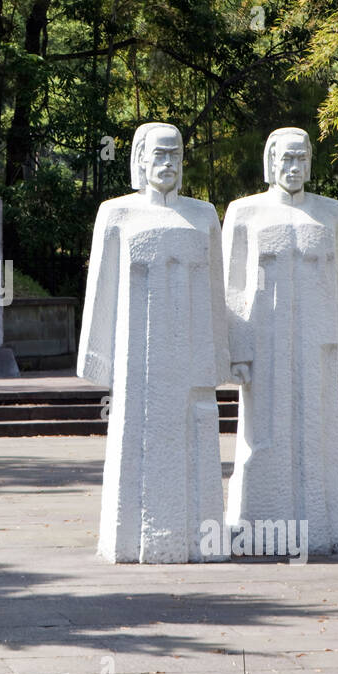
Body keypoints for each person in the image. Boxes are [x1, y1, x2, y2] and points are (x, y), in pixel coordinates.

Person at [77, 122, 230, 563]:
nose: (167, 163)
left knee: (194, 439)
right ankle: (130, 541)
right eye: (158, 154)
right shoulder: (117, 213)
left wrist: (219, 356)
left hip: (190, 357)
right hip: (136, 361)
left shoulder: (203, 215)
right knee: (137, 441)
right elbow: (101, 288)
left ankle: (198, 542)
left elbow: (217, 294)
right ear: (140, 159)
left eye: (175, 154)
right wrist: (96, 358)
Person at [222, 127, 338, 555]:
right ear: (270, 162)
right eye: (286, 159)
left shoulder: (332, 213)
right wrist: (238, 350)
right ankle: (256, 527)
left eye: (301, 159)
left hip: (317, 342)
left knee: (318, 431)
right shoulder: (244, 213)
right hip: (265, 342)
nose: (294, 167)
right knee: (263, 431)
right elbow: (232, 288)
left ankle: (323, 527)